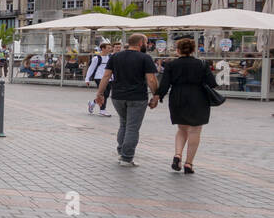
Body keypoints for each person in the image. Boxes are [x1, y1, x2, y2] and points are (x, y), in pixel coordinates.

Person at [93, 32, 159, 167]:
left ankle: (121, 150)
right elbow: (151, 79)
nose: (146, 45)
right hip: (137, 97)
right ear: (141, 43)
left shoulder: (115, 56)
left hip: (117, 96)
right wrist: (156, 95)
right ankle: (126, 158)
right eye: (146, 42)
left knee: (124, 123)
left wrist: (100, 93)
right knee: (132, 127)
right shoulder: (145, 58)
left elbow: (106, 76)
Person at [156, 37, 218, 174]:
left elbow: (164, 84)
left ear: (178, 50)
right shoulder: (202, 64)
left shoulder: (171, 65)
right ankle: (188, 164)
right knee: (195, 130)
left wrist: (157, 97)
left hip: (177, 96)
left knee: (181, 128)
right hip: (198, 97)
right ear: (193, 49)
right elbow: (212, 83)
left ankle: (177, 155)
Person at [85, 42, 112, 115]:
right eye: (108, 48)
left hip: (109, 78)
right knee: (103, 93)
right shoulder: (96, 58)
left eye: (110, 48)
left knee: (106, 94)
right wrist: (87, 79)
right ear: (103, 48)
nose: (110, 49)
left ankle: (92, 103)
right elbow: (91, 68)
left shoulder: (110, 57)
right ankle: (102, 110)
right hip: (99, 77)